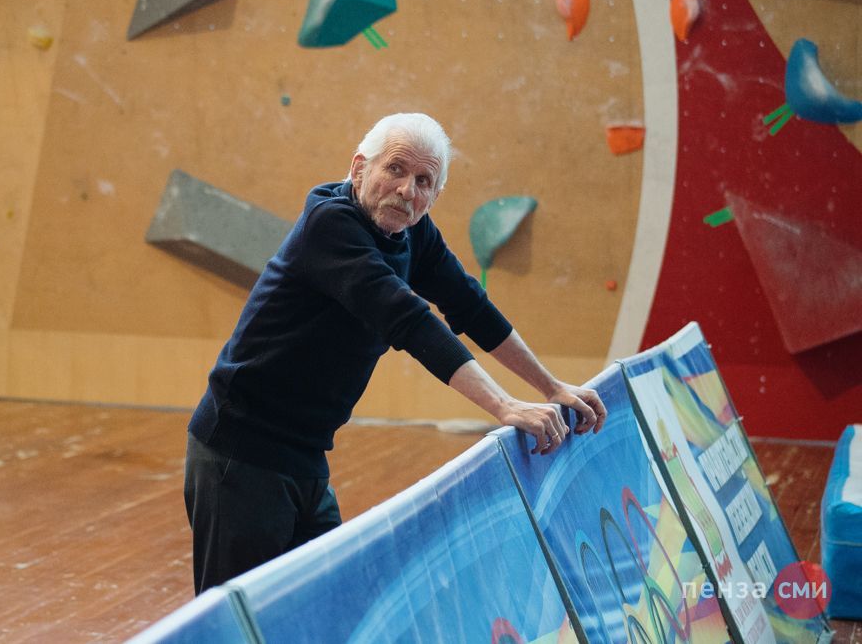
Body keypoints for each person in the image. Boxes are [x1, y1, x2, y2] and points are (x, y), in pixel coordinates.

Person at [183, 113, 607, 595]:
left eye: (423, 181)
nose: (407, 190)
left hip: (305, 454)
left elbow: (470, 306)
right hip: (239, 452)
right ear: (359, 168)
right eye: (396, 169)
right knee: (235, 621)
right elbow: (409, 320)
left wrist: (551, 386)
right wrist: (505, 406)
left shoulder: (413, 233)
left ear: (434, 196)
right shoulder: (330, 225)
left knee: (326, 607)